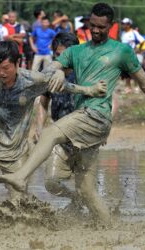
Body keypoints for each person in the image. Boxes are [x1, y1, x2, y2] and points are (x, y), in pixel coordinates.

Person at [0, 3, 145, 224]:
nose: (96, 30)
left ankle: (20, 176)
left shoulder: (121, 51)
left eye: (101, 27)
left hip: (97, 116)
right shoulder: (75, 51)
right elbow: (51, 68)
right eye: (93, 26)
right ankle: (110, 230)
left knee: (50, 132)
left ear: (111, 26)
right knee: (86, 190)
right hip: (83, 121)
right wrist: (60, 73)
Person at [0, 41, 102, 202]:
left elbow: (63, 85)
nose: (1, 73)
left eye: (6, 68)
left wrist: (88, 90)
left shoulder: (32, 81)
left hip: (17, 149)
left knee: (18, 199)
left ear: (18, 63)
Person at [35, 32, 91, 205]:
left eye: (64, 54)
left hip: (84, 139)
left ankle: (85, 208)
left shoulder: (86, 72)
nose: (60, 59)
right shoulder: (49, 75)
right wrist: (38, 127)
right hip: (60, 138)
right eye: (57, 55)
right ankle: (75, 200)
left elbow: (107, 100)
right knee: (51, 183)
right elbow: (43, 102)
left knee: (87, 189)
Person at [120, 17, 145, 94]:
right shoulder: (123, 33)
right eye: (122, 24)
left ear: (129, 25)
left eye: (124, 24)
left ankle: (137, 87)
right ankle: (128, 87)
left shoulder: (134, 32)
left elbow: (142, 41)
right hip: (125, 55)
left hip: (132, 54)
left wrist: (138, 50)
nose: (123, 25)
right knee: (126, 72)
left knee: (135, 72)